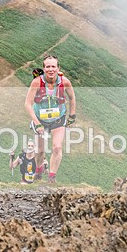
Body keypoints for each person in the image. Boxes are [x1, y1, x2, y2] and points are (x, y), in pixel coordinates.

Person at [24, 54, 76, 184]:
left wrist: (72, 116)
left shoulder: (65, 82)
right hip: (40, 120)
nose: (51, 69)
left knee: (57, 147)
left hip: (58, 119)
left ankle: (52, 178)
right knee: (40, 151)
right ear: (44, 69)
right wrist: (37, 124)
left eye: (53, 66)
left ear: (58, 68)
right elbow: (27, 104)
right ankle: (39, 170)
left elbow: (72, 97)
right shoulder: (37, 82)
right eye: (48, 67)